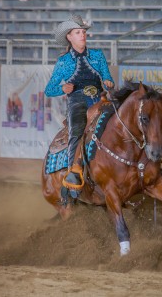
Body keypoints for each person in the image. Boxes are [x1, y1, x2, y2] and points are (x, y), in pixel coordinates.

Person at [44, 14, 114, 198]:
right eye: (78, 32)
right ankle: (73, 172)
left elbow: (107, 77)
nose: (82, 35)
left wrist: (108, 81)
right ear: (70, 36)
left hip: (99, 98)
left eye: (83, 32)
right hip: (77, 101)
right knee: (77, 130)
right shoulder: (64, 61)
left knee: (123, 120)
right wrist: (63, 88)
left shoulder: (98, 55)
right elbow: (49, 89)